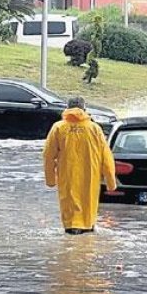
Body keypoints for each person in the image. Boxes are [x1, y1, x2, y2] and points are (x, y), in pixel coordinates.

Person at [43, 96, 116, 235]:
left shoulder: (58, 128)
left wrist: (50, 180)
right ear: (85, 109)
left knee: (70, 215)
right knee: (88, 214)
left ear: (67, 109)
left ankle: (72, 235)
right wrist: (111, 183)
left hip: (67, 177)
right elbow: (106, 157)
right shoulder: (94, 128)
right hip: (91, 177)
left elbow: (48, 156)